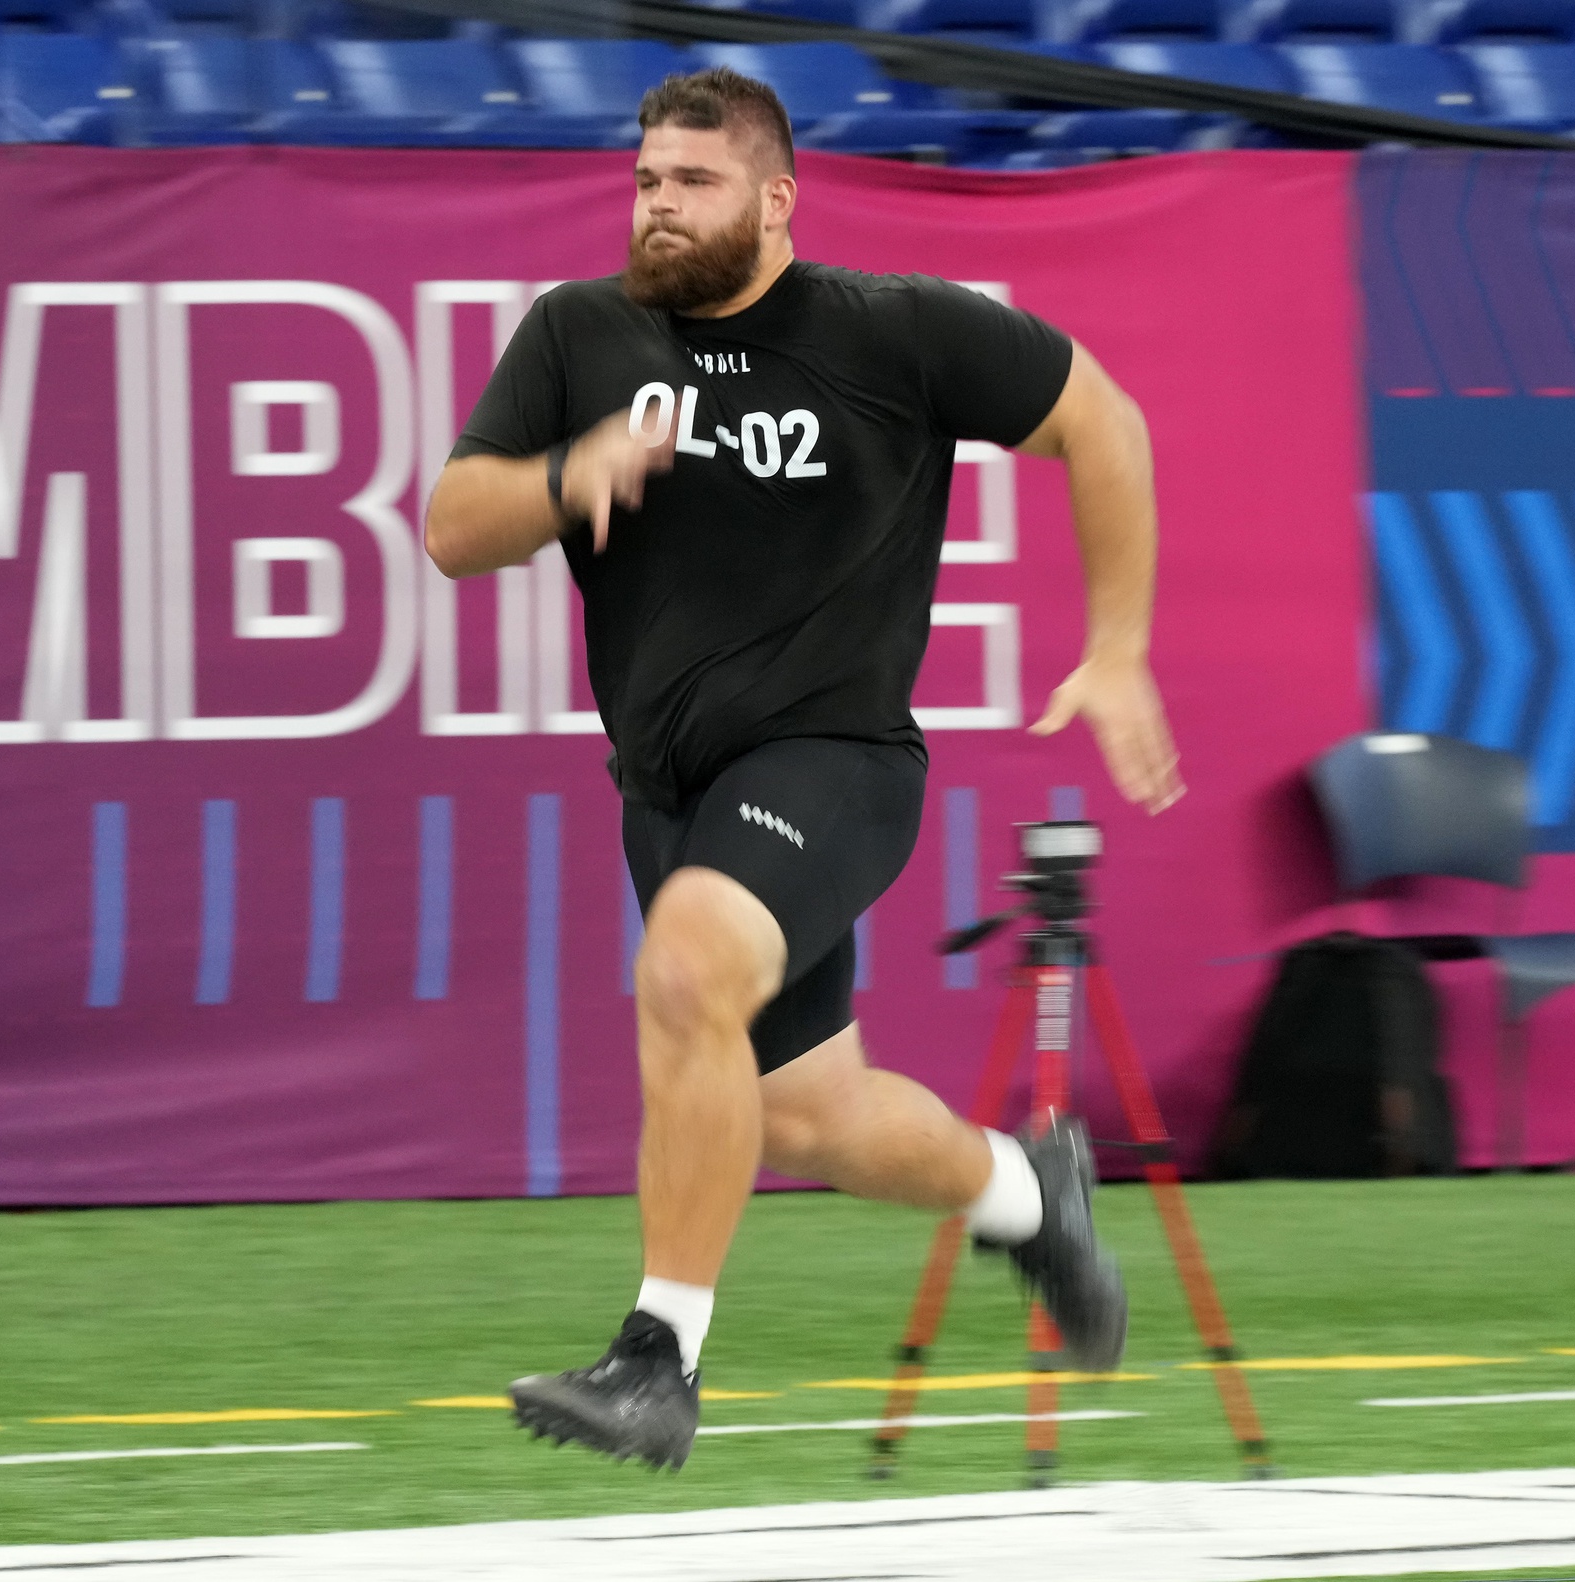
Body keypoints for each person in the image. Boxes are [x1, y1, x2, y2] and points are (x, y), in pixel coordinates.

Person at [422, 66, 1184, 1473]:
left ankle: (659, 1361)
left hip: (837, 760)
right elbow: (452, 525)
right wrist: (563, 476)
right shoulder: (580, 335)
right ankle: (1029, 1185)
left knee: (690, 964)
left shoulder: (888, 330)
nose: (659, 201)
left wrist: (1120, 647)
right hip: (668, 793)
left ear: (776, 199)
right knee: (814, 1118)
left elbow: (1105, 421)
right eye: (647, 177)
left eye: (693, 180)